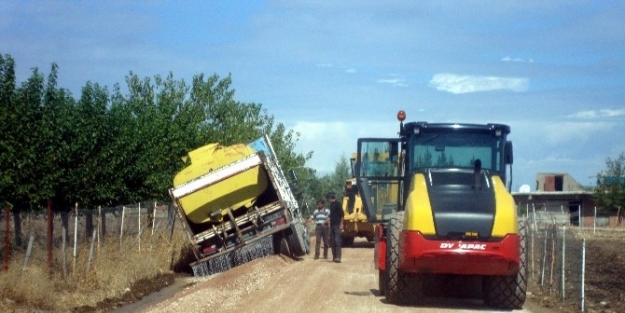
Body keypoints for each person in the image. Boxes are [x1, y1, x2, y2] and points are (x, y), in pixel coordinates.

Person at [326, 192, 344, 263]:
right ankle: (334, 257)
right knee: (332, 241)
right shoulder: (331, 205)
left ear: (330, 198)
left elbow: (342, 215)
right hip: (332, 225)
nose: (327, 200)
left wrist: (341, 224)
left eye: (328, 198)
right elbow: (331, 216)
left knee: (337, 241)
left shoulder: (338, 204)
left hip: (337, 225)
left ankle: (338, 257)